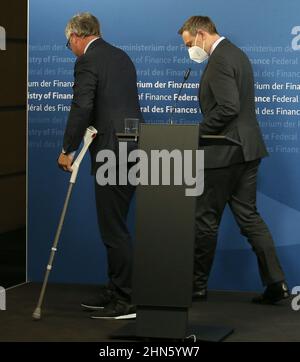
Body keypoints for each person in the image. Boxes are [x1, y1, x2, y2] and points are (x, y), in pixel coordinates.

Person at [178, 16, 290, 304]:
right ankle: (276, 283)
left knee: (204, 219)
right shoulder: (237, 54)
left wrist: (195, 133)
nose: (191, 50)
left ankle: (196, 286)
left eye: (190, 43)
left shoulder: (218, 60)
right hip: (248, 150)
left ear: (201, 34)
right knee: (249, 217)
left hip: (224, 153)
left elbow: (228, 108)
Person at [58, 12, 142, 319]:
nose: (71, 48)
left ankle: (126, 300)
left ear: (77, 36)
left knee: (113, 228)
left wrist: (68, 148)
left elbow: (82, 106)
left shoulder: (87, 61)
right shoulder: (121, 57)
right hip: (132, 147)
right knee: (115, 223)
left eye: (69, 43)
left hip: (112, 152)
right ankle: (115, 289)